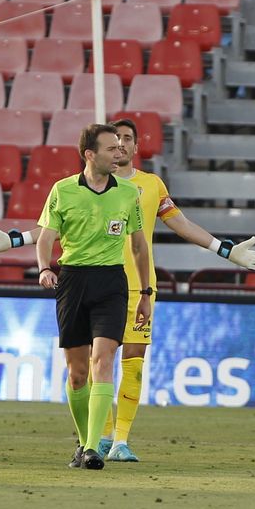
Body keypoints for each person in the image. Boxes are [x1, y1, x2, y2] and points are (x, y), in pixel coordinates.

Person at [0, 118, 255, 461]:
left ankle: (120, 440)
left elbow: (181, 225)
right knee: (89, 366)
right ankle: (98, 437)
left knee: (129, 362)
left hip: (134, 286)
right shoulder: (71, 189)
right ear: (96, 151)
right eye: (115, 140)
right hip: (82, 280)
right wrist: (14, 240)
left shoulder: (148, 186)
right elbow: (56, 227)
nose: (121, 145)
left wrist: (224, 250)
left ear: (136, 146)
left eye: (127, 139)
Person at [34, 123, 153, 470]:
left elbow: (138, 246)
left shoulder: (128, 193)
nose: (119, 152)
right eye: (111, 148)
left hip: (112, 283)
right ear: (90, 154)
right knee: (77, 373)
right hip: (73, 281)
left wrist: (145, 292)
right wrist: (44, 268)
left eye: (121, 146)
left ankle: (91, 447)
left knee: (103, 361)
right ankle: (84, 441)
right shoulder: (62, 190)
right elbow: (46, 237)